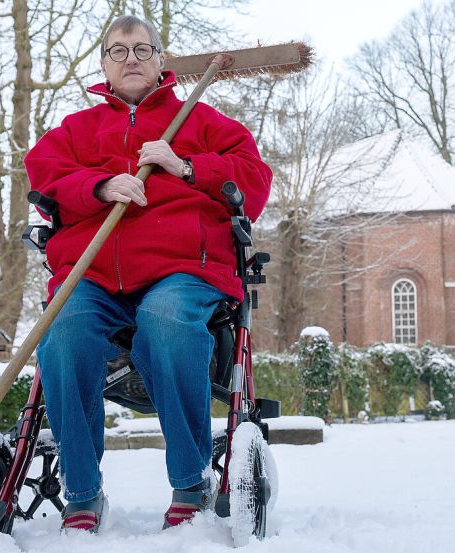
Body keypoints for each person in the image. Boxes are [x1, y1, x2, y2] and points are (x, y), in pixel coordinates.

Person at [23, 15, 271, 533]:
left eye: (142, 49)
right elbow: (43, 173)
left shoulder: (202, 122)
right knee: (62, 331)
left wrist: (186, 167)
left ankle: (189, 482)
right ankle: (83, 493)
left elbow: (255, 181)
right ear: (103, 66)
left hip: (184, 269)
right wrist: (99, 185)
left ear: (161, 62)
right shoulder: (75, 131)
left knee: (166, 318)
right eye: (118, 51)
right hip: (93, 273)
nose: (130, 58)